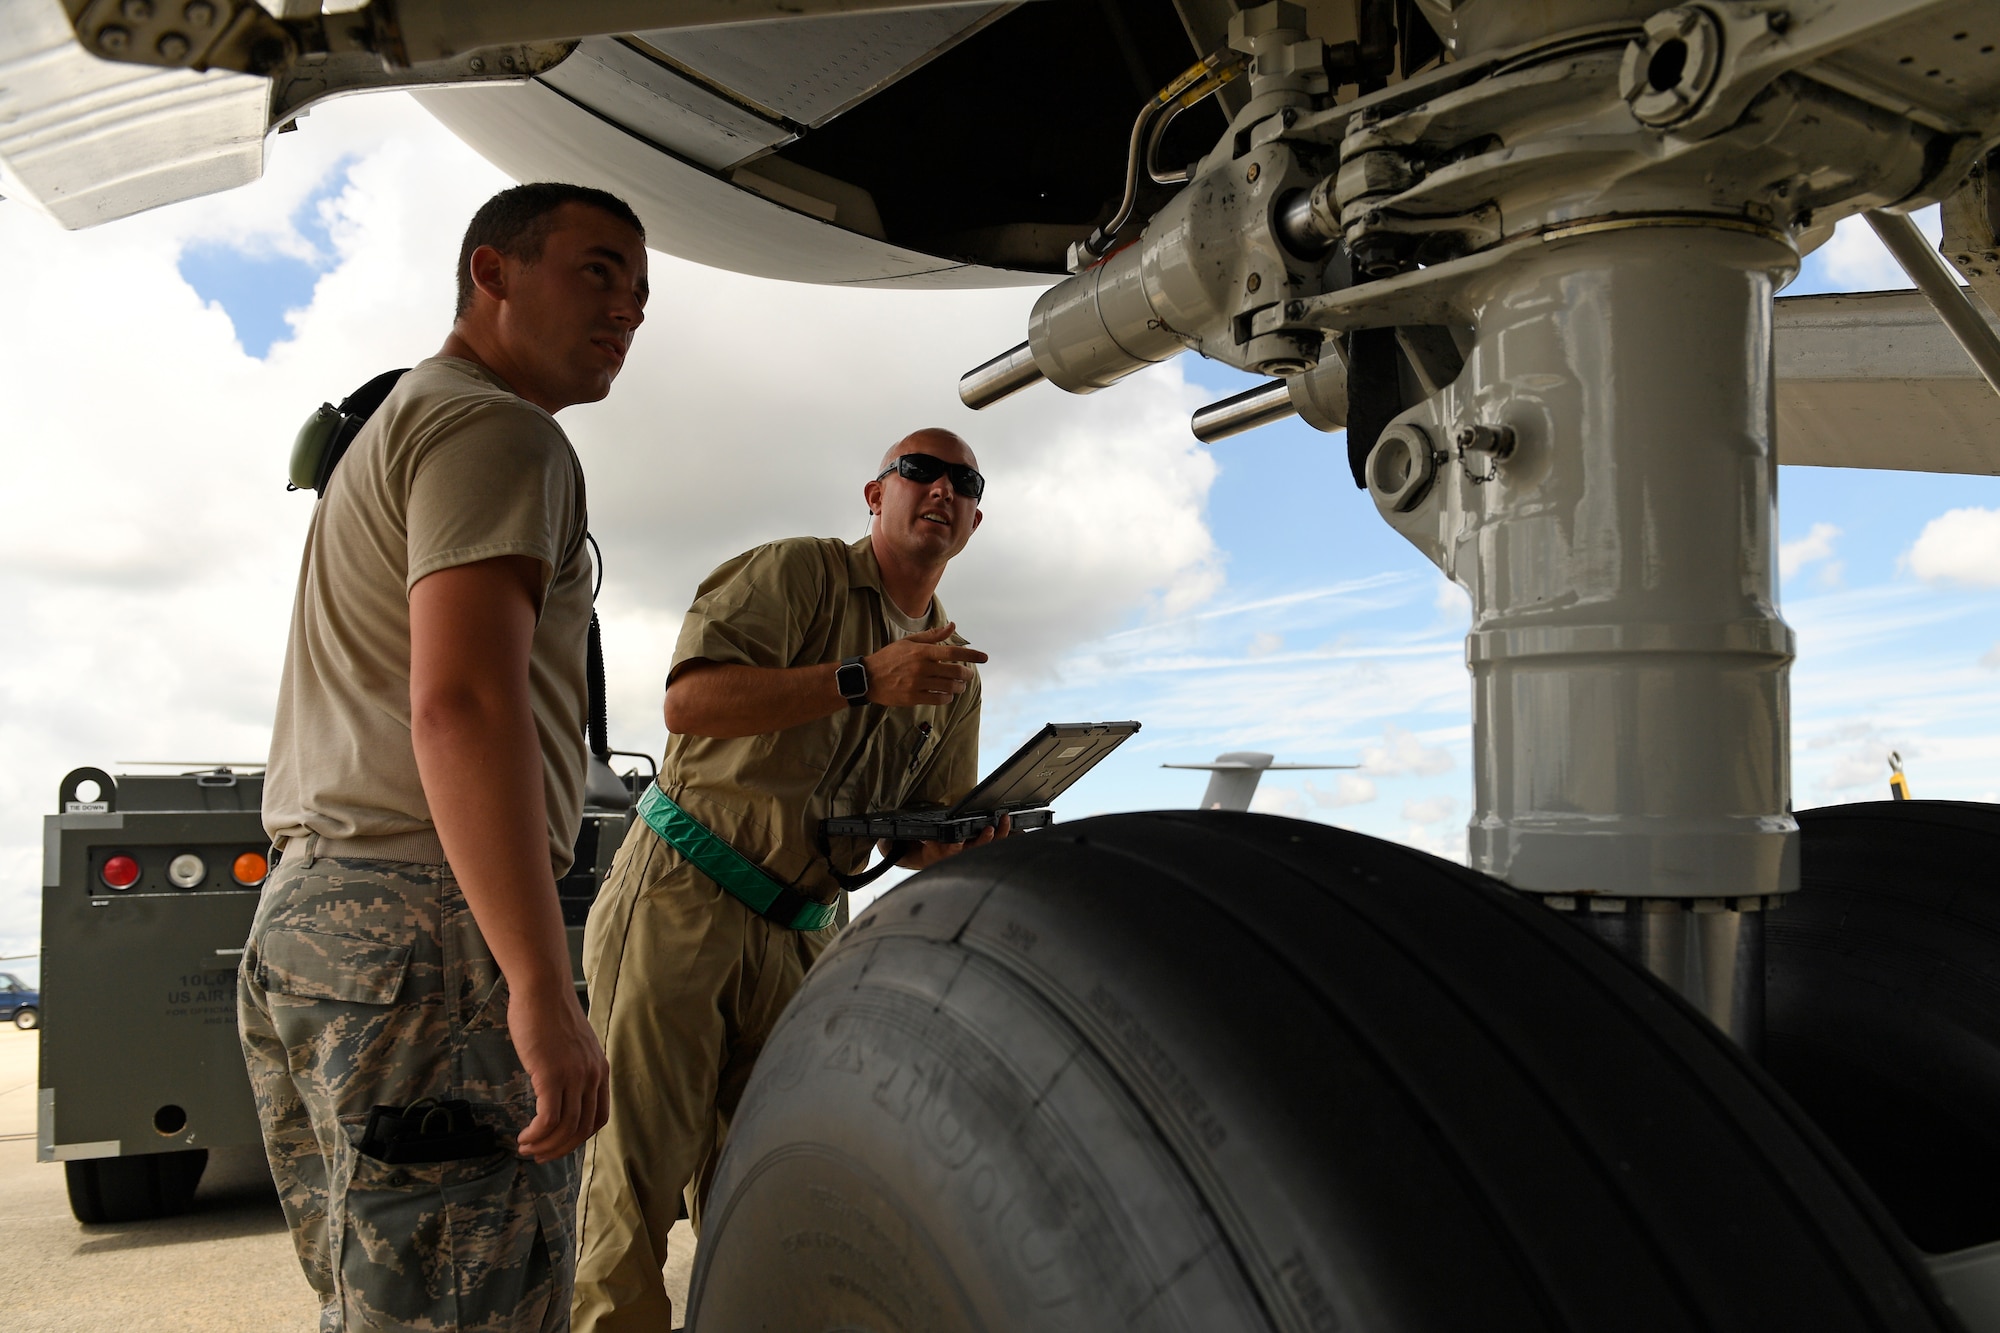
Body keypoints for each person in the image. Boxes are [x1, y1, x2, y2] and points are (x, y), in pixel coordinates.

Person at [239, 181, 648, 1332]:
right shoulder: (495, 428)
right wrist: (534, 983)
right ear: (492, 274)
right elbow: (462, 705)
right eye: (598, 271)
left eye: (640, 294)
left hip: (318, 915)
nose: (625, 309)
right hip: (422, 926)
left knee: (384, 1303)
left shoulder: (404, 425)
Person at [571, 430, 1003, 1331]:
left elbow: (923, 828)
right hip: (684, 895)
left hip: (806, 931)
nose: (941, 490)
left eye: (964, 481)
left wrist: (969, 836)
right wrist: (861, 679)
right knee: (632, 1197)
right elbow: (689, 702)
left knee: (774, 1192)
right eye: (919, 470)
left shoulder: (952, 673)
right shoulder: (798, 574)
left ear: (972, 520)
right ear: (873, 494)